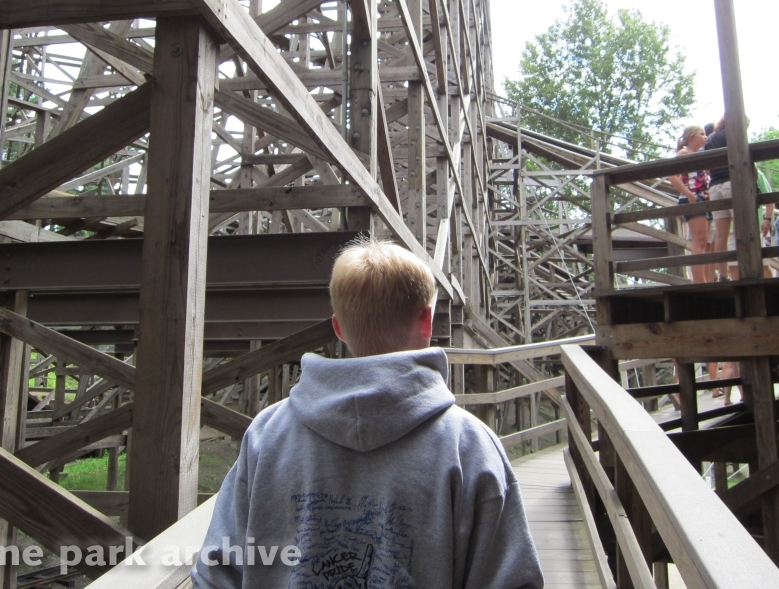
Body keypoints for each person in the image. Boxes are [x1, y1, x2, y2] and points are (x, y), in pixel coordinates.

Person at [191, 237, 545, 589]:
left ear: (339, 328)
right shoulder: (470, 445)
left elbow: (216, 572)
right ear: (427, 322)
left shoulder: (265, 434)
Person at [670, 125, 711, 284]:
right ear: (692, 136)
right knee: (699, 241)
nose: (705, 137)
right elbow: (673, 176)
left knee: (704, 241)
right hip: (693, 198)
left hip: (703, 198)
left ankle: (705, 279)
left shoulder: (699, 155)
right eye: (702, 134)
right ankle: (700, 282)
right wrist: (689, 195)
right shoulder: (684, 153)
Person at [704, 117, 732, 282]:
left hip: (715, 186)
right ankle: (745, 268)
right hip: (731, 182)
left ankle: (723, 274)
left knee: (722, 235)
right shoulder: (733, 133)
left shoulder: (710, 139)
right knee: (742, 228)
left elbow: (707, 170)